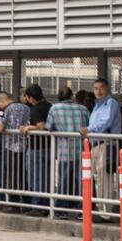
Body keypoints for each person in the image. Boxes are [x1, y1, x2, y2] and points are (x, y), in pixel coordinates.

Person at [45, 86, 89, 219]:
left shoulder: (54, 108)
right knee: (82, 181)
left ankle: (62, 209)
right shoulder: (82, 108)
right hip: (81, 150)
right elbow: (89, 125)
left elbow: (49, 127)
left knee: (63, 180)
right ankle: (83, 209)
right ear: (72, 97)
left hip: (64, 151)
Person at [81, 78, 121, 215]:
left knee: (105, 179)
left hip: (105, 144)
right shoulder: (97, 105)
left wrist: (89, 129)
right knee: (96, 179)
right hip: (95, 145)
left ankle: (106, 212)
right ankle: (100, 209)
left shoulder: (111, 103)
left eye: (101, 88)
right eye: (96, 88)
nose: (98, 91)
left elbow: (106, 122)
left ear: (107, 88)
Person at [0, 91, 30, 212]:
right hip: (26, 147)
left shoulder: (4, 110)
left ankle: (14, 205)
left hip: (11, 147)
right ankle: (27, 204)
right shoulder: (26, 107)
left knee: (12, 177)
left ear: (1, 101)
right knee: (24, 176)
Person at [20, 84, 52, 215]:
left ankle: (38, 206)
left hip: (36, 148)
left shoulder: (35, 109)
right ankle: (45, 204)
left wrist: (28, 128)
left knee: (35, 177)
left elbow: (41, 126)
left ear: (31, 98)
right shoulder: (50, 106)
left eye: (27, 97)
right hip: (49, 147)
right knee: (46, 177)